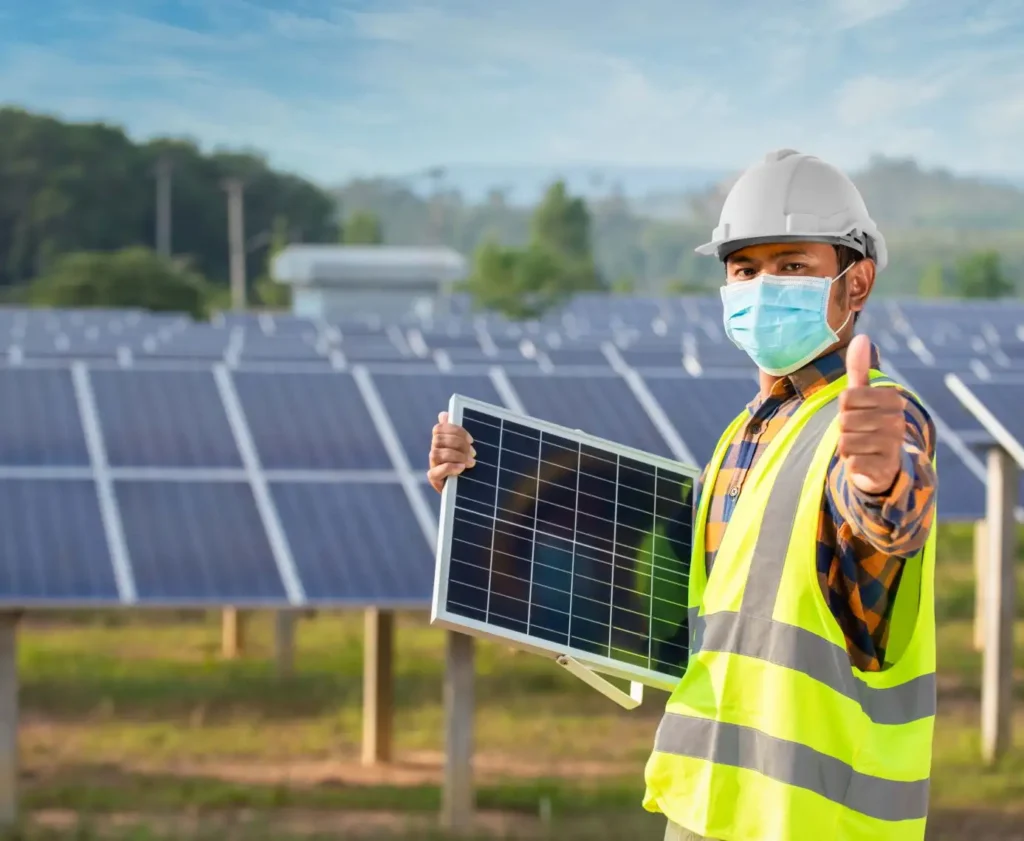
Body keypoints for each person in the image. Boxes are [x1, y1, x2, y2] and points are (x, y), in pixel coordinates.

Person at [426, 149, 939, 841]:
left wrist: (881, 482)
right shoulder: (740, 439)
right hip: (702, 810)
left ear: (858, 283)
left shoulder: (876, 416)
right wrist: (484, 482)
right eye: (744, 269)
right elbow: (665, 618)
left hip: (811, 823)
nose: (762, 285)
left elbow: (883, 524)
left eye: (791, 265)